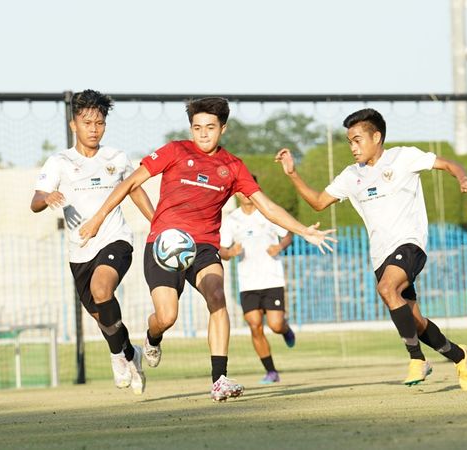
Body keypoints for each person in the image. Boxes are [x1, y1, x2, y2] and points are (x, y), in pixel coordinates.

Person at [79, 97, 336, 402]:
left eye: (210, 128)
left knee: (217, 297)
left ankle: (219, 379)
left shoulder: (233, 166)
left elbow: (266, 206)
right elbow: (130, 183)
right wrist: (97, 219)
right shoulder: (174, 151)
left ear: (222, 129)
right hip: (164, 244)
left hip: (204, 247)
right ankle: (152, 337)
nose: (203, 134)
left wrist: (303, 230)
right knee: (166, 316)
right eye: (197, 127)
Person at [275, 108, 467, 391]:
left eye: (357, 140)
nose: (353, 147)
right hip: (380, 255)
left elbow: (448, 164)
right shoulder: (350, 175)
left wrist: (463, 177)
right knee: (415, 321)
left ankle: (417, 359)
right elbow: (318, 202)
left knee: (386, 289)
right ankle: (459, 355)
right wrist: (293, 174)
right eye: (349, 141)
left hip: (410, 244)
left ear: (377, 137)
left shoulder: (403, 157)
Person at [30, 89, 155, 394]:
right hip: (79, 251)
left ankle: (116, 357)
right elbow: (34, 201)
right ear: (74, 124)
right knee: (104, 318)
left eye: (99, 123)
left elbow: (134, 189)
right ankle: (130, 354)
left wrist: (157, 221)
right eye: (87, 123)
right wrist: (48, 197)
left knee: (103, 289)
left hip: (115, 239)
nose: (94, 129)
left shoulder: (116, 158)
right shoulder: (59, 161)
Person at [219, 179, 296, 385]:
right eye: (241, 191)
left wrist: (279, 247)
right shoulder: (231, 219)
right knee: (255, 326)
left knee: (275, 324)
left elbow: (288, 234)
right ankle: (271, 371)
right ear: (236, 193)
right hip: (248, 282)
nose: (245, 194)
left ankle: (285, 330)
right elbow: (222, 250)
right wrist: (230, 252)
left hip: (272, 278)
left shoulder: (268, 212)